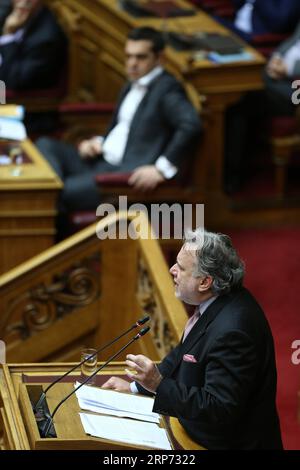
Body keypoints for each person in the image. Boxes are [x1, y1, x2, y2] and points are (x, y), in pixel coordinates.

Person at [102, 228, 283, 450]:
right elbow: (181, 356)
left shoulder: (233, 331)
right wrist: (136, 389)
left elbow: (219, 407)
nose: (172, 270)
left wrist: (158, 385)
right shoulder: (215, 302)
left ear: (205, 282)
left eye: (181, 267)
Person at [36, 27, 201, 214]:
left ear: (160, 58)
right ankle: (51, 192)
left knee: (62, 192)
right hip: (100, 158)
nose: (132, 63)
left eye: (141, 57)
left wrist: (162, 169)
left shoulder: (167, 90)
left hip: (121, 173)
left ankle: (52, 210)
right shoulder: (132, 83)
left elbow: (191, 125)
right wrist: (98, 142)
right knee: (44, 145)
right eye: (128, 56)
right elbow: (124, 128)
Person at [224, 21, 300, 193]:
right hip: (276, 76)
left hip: (294, 90)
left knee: (241, 99)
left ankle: (231, 176)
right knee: (237, 86)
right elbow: (292, 42)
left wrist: (287, 69)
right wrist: (276, 58)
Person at [0, 0, 67, 90]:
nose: (24, 2)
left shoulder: (46, 40)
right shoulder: (7, 9)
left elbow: (15, 81)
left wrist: (8, 35)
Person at [216, 0, 300, 42]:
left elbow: (280, 22)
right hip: (236, 26)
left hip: (254, 38)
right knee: (212, 22)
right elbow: (236, 3)